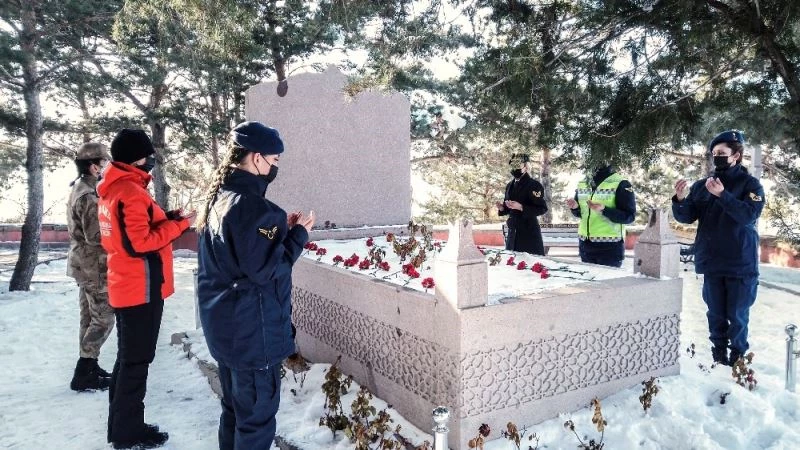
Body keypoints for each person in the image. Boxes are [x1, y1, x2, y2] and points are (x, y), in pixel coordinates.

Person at [196, 121, 314, 450]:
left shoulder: (219, 198)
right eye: (274, 161)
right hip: (252, 334)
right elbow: (267, 270)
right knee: (256, 423)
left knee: (234, 413)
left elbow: (242, 256)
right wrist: (299, 236)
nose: (274, 168)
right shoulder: (255, 208)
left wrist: (279, 233)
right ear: (257, 157)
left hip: (226, 330)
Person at [97, 128, 195, 449]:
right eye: (147, 155)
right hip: (140, 289)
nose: (151, 160)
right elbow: (140, 243)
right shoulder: (129, 191)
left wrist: (170, 216)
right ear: (136, 158)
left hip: (129, 285)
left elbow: (139, 226)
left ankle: (121, 427)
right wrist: (179, 225)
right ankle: (128, 433)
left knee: (128, 360)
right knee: (136, 363)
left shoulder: (117, 188)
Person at [672, 130, 764, 366]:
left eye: (722, 152)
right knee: (715, 315)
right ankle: (719, 357)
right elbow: (686, 217)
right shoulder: (703, 185)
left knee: (738, 316)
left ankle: (738, 359)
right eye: (714, 153)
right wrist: (680, 199)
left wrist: (723, 195)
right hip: (712, 262)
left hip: (740, 263)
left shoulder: (751, 185)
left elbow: (748, 216)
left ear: (736, 155)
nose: (717, 157)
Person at [66, 142, 115, 392]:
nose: (107, 166)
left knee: (89, 317)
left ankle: (89, 366)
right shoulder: (88, 195)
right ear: (94, 166)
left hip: (83, 264)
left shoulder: (82, 187)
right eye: (104, 162)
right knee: (104, 318)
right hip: (94, 266)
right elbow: (96, 236)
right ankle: (85, 369)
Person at [566, 162, 636, 267]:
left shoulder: (621, 183)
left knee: (608, 278)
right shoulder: (583, 182)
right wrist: (575, 207)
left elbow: (629, 216)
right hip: (585, 244)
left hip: (610, 247)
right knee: (588, 278)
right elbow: (583, 214)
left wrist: (604, 210)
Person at [496, 153, 548, 255]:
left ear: (526, 166)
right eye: (513, 165)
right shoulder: (509, 185)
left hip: (528, 234)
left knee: (529, 263)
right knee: (512, 262)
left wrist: (521, 207)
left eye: (518, 165)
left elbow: (542, 208)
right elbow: (509, 208)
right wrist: (502, 208)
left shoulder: (534, 185)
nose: (515, 168)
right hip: (512, 234)